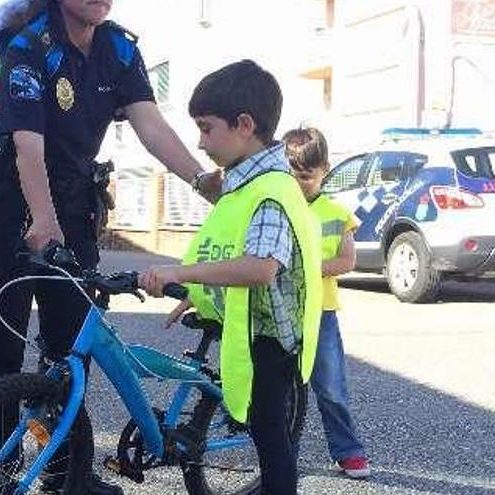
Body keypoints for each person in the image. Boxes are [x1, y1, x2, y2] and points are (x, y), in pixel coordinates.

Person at [0, 1, 220, 493]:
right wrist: (41, 217)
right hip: (8, 198)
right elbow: (27, 145)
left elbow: (151, 124)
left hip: (73, 197)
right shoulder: (30, 44)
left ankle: (65, 474)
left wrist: (203, 180)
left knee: (70, 346)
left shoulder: (118, 49)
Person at [138, 60, 323, 495]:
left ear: (244, 125)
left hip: (272, 341)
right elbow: (224, 249)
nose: (200, 142)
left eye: (206, 128)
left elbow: (260, 266)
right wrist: (198, 291)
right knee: (262, 426)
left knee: (270, 437)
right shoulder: (240, 185)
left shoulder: (271, 189)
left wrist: (178, 272)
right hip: (250, 329)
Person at [282, 127, 371, 479]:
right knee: (283, 389)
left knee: (331, 388)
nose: (301, 183)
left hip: (321, 313)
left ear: (325, 170)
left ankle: (349, 451)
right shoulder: (278, 207)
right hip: (281, 312)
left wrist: (308, 270)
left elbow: (347, 262)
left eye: (307, 176)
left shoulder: (337, 212)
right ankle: (282, 452)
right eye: (293, 176)